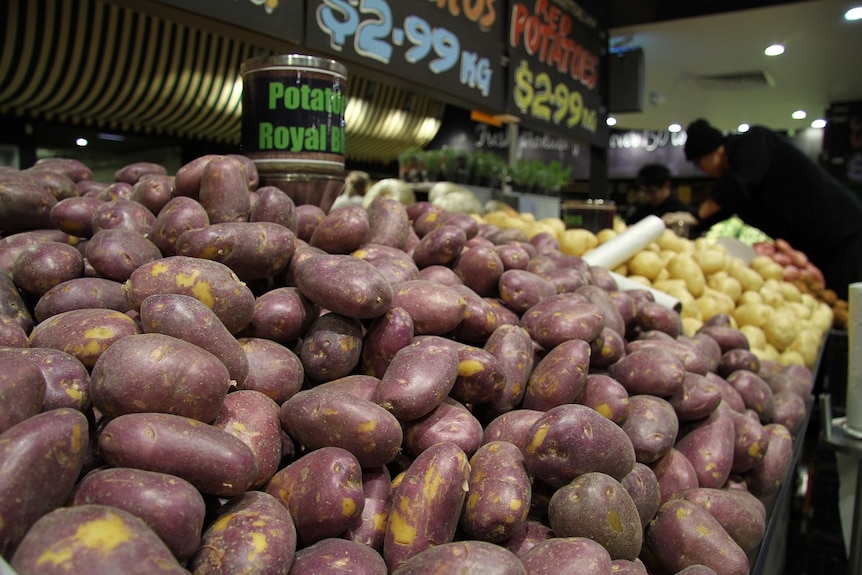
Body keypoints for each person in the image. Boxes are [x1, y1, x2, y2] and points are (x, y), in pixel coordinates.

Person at [673, 117, 862, 300]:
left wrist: (697, 215)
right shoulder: (735, 179)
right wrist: (692, 221)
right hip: (812, 247)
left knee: (847, 302)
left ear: (715, 151)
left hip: (840, 233)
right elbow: (725, 205)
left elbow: (733, 189)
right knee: (827, 301)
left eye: (699, 164)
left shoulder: (754, 141)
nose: (702, 170)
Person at [625, 163, 696, 226]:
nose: (648, 197)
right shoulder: (641, 211)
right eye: (645, 192)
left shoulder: (682, 211)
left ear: (666, 185)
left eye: (652, 192)